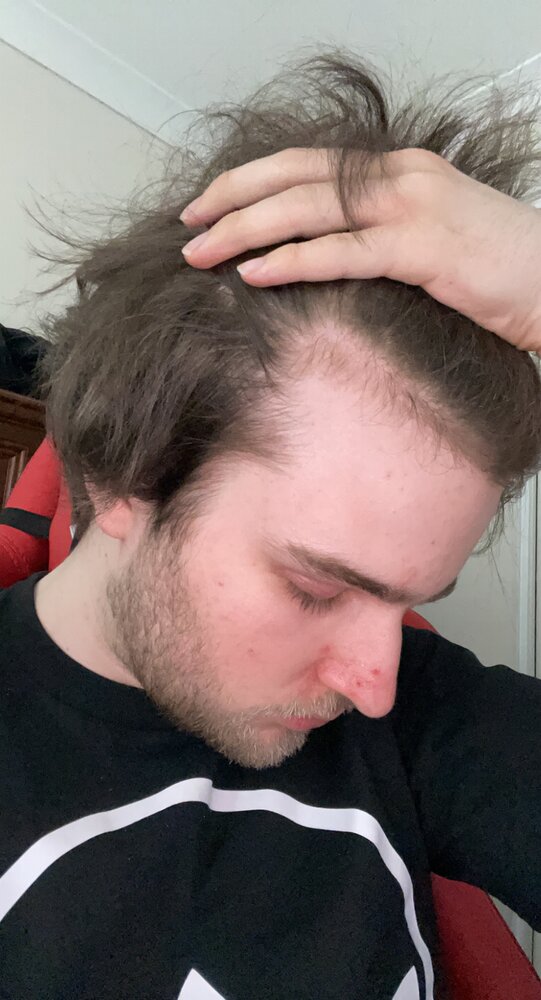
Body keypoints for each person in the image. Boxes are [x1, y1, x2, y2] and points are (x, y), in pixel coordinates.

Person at [1, 53, 540, 1000]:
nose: (374, 684)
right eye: (315, 587)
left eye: (410, 600)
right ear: (122, 472)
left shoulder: (421, 716)